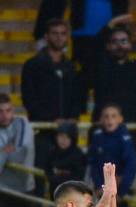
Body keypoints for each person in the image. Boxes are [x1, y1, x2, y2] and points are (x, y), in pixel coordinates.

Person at [21, 18, 84, 168]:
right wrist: (51, 120)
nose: (59, 37)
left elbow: (79, 96)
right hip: (43, 132)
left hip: (68, 133)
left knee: (66, 182)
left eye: (63, 33)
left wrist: (74, 117)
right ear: (46, 36)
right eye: (55, 33)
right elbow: (29, 99)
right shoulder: (32, 65)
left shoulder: (72, 67)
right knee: (42, 178)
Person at [92, 18, 136, 123]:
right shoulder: (101, 65)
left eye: (124, 41)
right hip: (105, 124)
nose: (119, 45)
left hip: (131, 123)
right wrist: (111, 24)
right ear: (108, 46)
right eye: (114, 42)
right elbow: (95, 46)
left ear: (130, 45)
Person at [0, 93, 36, 207]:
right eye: (0, 111)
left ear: (13, 110)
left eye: (8, 110)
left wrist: (2, 154)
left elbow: (20, 155)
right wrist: (6, 151)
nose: (4, 115)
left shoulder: (22, 124)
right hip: (3, 192)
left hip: (25, 190)